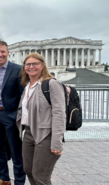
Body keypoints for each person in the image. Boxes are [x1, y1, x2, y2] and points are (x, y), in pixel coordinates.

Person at [17, 53, 65, 185]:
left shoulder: (51, 84)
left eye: (35, 64)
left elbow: (59, 113)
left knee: (41, 176)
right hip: (28, 133)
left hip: (46, 134)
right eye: (28, 64)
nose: (31, 67)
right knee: (29, 170)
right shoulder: (27, 85)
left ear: (43, 65)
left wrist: (57, 141)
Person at [0, 40, 25, 185]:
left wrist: (18, 115)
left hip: (11, 115)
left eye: (3, 52)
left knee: (16, 151)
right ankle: (4, 178)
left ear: (8, 53)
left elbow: (23, 95)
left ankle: (19, 181)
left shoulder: (18, 69)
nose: (0, 55)